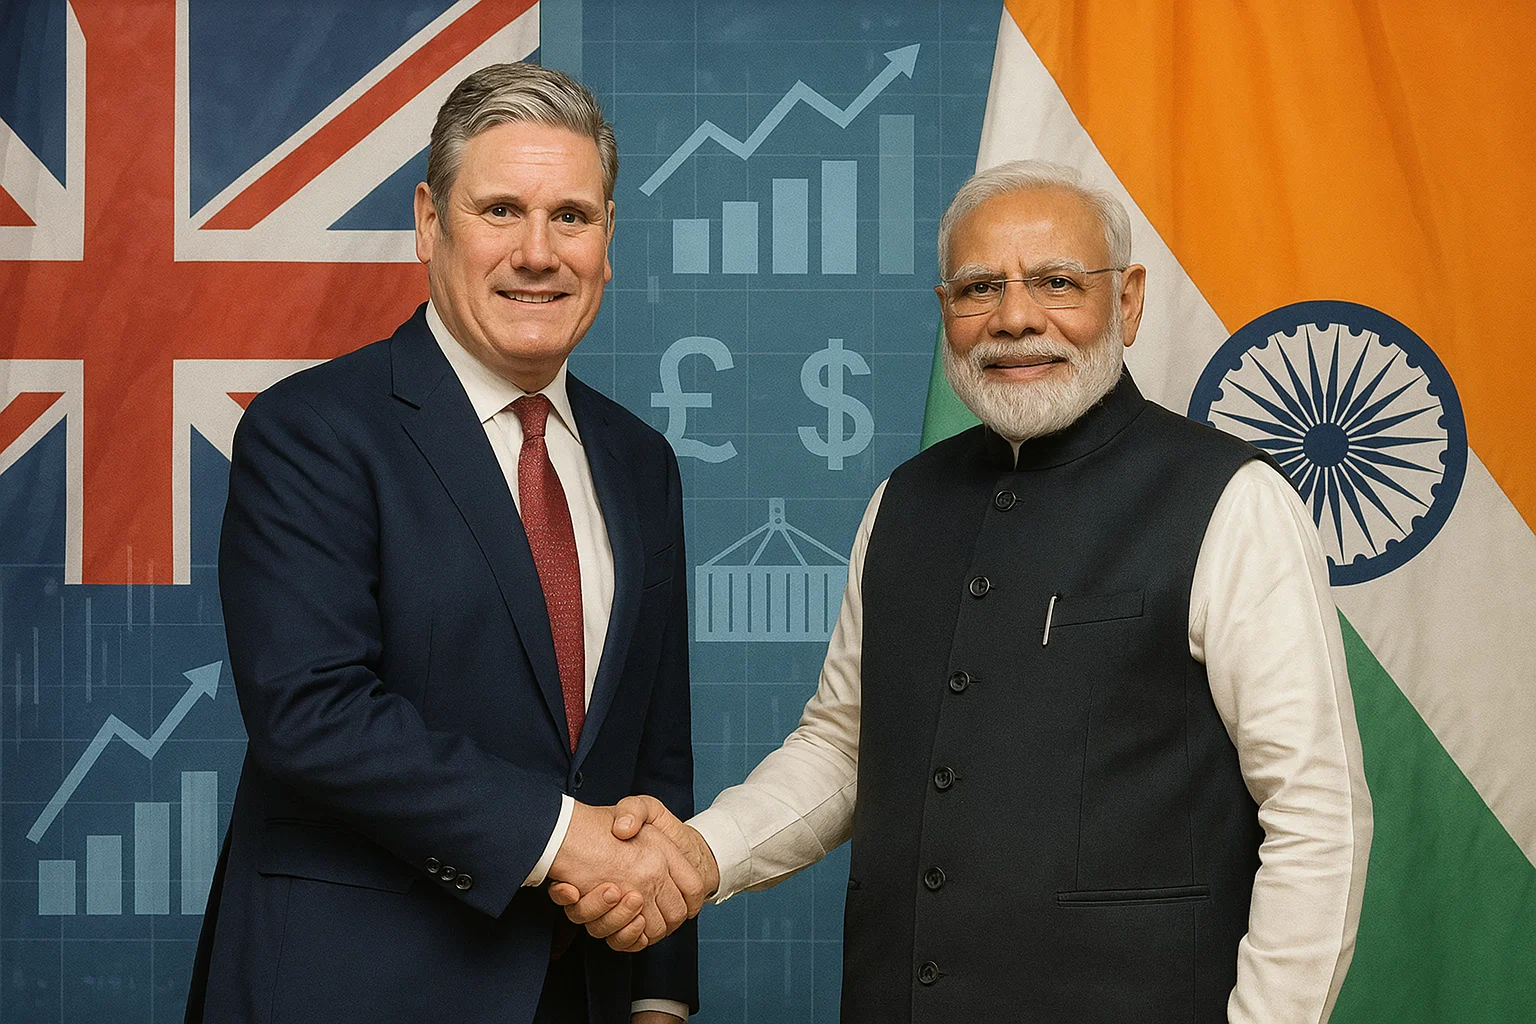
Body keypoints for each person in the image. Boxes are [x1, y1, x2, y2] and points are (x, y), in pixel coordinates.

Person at [556, 160, 1374, 1024]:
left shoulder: (1234, 501)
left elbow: (1316, 814)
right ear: (945, 308)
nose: (1015, 318)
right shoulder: (901, 503)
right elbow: (844, 749)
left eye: (1057, 282)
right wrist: (700, 854)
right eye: (981, 288)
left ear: (1128, 301)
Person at [185, 64, 699, 1024]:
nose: (538, 253)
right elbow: (311, 712)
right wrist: (563, 838)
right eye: (501, 211)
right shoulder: (313, 430)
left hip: (580, 993)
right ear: (430, 223)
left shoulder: (641, 462)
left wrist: (659, 994)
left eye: (572, 217)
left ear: (608, 242)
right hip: (353, 991)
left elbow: (654, 753)